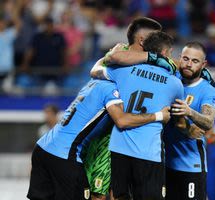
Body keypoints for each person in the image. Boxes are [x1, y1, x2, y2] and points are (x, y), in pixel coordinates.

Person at [27, 78, 170, 200]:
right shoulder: (110, 90)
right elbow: (121, 120)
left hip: (42, 148)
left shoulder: (94, 82)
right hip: (65, 154)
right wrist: (158, 115)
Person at [90, 31, 184, 200]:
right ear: (164, 54)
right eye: (170, 53)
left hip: (119, 150)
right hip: (148, 152)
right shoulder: (175, 84)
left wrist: (111, 54)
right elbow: (180, 120)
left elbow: (95, 71)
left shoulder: (123, 71)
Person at [164, 42, 215, 200]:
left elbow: (208, 122)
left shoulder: (208, 90)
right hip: (165, 163)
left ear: (203, 64)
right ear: (179, 58)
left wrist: (190, 112)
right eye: (186, 59)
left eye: (195, 61)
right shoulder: (172, 80)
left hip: (190, 166)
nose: (188, 64)